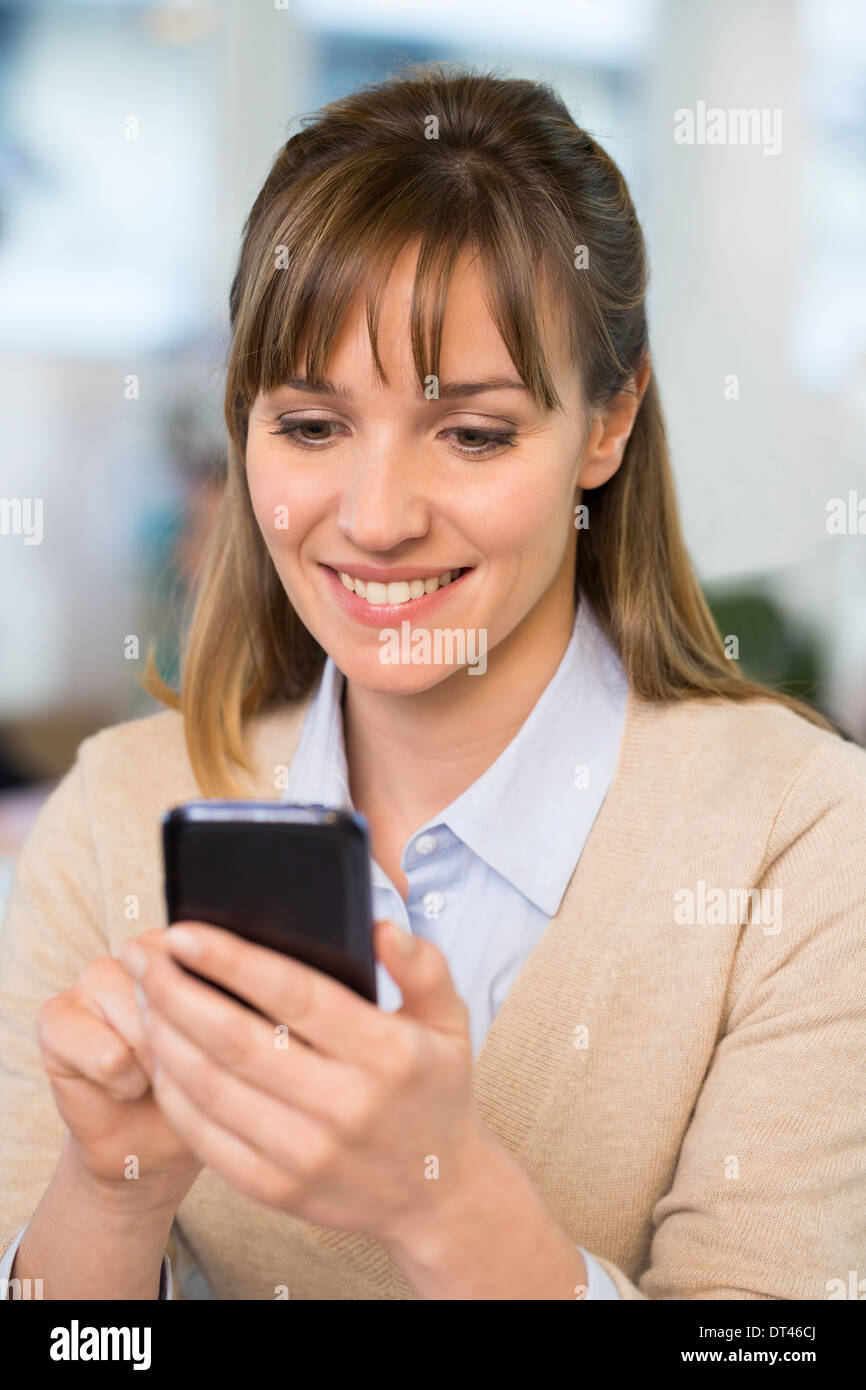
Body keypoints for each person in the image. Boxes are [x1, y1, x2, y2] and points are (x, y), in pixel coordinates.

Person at [1, 64, 864, 1301]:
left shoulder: (806, 842)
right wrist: (109, 1200)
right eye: (309, 426)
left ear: (607, 424)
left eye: (470, 432)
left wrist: (441, 1199)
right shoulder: (112, 816)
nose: (375, 517)